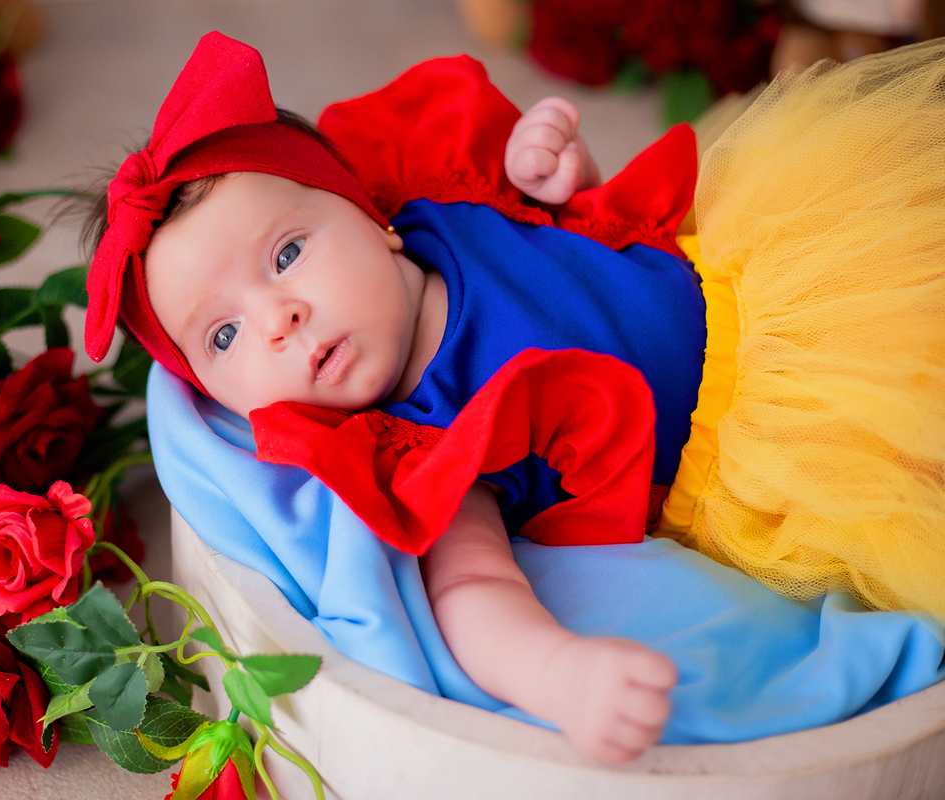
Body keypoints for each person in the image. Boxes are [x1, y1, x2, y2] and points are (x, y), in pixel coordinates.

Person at [82, 32, 945, 762]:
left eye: (285, 255)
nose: (279, 319)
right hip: (780, 436)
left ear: (372, 220)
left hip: (762, 268)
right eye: (224, 336)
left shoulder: (450, 200)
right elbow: (473, 592)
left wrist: (560, 160)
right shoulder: (428, 442)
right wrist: (558, 673)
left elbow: (589, 226)